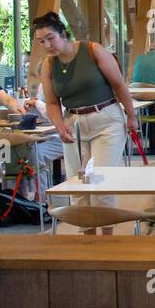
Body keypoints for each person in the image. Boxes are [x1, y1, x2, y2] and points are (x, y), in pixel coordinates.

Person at [32, 11, 139, 202]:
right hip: (73, 123)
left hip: (106, 120)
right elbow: (51, 102)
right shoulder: (49, 64)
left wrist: (131, 116)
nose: (47, 45)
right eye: (42, 42)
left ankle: (107, 231)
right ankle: (86, 232)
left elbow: (119, 85)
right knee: (77, 188)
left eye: (51, 38)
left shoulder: (92, 50)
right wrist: (59, 126)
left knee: (101, 187)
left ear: (63, 34)